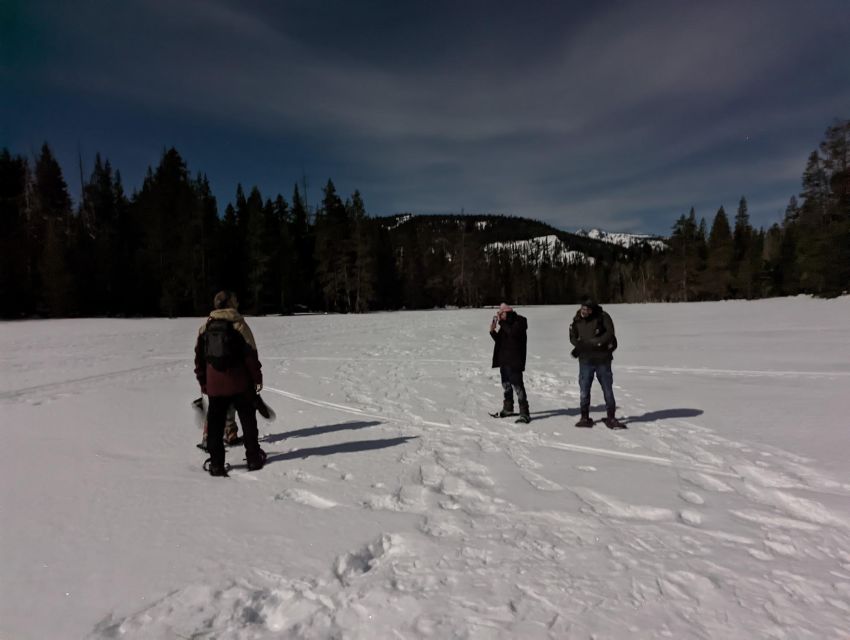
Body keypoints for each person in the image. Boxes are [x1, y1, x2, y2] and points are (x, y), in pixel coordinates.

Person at [194, 290, 267, 475]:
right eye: (235, 300)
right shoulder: (240, 325)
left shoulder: (205, 327)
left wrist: (204, 383)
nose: (238, 302)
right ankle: (253, 459)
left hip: (215, 387)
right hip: (240, 384)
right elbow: (251, 355)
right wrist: (257, 378)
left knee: (215, 424)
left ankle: (217, 464)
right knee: (248, 421)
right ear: (229, 304)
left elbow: (199, 360)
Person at [569, 296, 625, 429]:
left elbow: (610, 334)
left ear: (592, 309)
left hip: (603, 360)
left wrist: (594, 343)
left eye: (587, 309)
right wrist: (581, 345)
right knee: (584, 389)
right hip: (585, 361)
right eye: (582, 308)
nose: (584, 311)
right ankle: (584, 417)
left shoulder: (603, 317)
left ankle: (611, 417)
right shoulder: (577, 319)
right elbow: (572, 337)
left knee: (607, 388)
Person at [490, 302, 531, 423]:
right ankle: (508, 408)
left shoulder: (519, 322)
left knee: (518, 386)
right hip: (504, 360)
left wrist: (501, 323)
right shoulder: (505, 325)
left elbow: (513, 335)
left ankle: (525, 412)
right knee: (506, 385)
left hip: (515, 360)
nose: (499, 316)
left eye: (500, 313)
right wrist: (493, 332)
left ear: (507, 313)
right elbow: (501, 341)